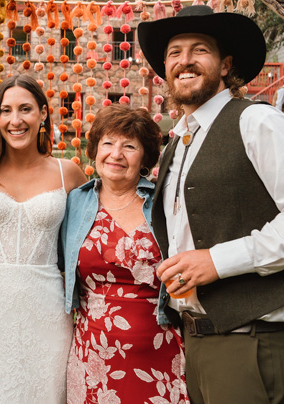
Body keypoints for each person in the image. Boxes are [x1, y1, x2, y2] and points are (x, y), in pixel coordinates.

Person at [137, 5, 284, 404]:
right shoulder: (177, 144)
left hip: (248, 343)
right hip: (197, 342)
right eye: (174, 52)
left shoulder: (256, 122)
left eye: (199, 50)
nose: (184, 61)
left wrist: (218, 261)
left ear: (224, 65)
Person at [0, 74, 86, 404]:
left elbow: (90, 235)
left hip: (47, 308)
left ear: (43, 113)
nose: (16, 120)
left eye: (25, 109)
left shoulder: (67, 172)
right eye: (6, 110)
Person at [60, 104, 188, 404]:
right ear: (94, 149)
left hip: (159, 350)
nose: (116, 154)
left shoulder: (164, 202)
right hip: (93, 353)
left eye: (129, 146)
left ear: (144, 157)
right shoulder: (74, 202)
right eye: (108, 143)